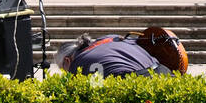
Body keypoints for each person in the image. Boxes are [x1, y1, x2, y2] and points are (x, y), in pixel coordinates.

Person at [56, 26, 188, 77]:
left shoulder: (77, 64)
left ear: (68, 61)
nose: (66, 72)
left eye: (63, 68)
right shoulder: (109, 37)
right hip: (164, 70)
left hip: (141, 79)